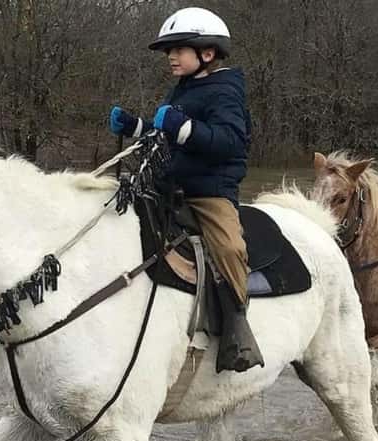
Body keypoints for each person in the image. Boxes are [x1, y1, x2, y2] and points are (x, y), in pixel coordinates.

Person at [107, 7, 262, 373]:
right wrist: (136, 126)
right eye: (168, 51)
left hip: (209, 191)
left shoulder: (225, 90)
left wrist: (182, 126)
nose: (171, 57)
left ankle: (239, 331)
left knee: (230, 246)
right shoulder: (184, 87)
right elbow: (167, 134)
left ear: (207, 53)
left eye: (178, 50)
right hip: (168, 185)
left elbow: (229, 142)